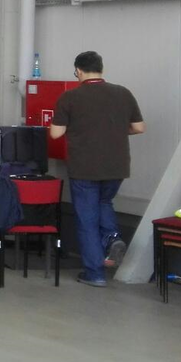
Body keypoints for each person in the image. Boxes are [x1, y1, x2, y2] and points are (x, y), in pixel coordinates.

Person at [49, 51, 145, 288]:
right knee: (104, 202)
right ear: (101, 69)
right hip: (117, 166)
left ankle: (95, 273)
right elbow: (138, 127)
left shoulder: (70, 97)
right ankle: (112, 238)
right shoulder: (123, 93)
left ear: (78, 71)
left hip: (84, 167)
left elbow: (56, 133)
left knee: (86, 219)